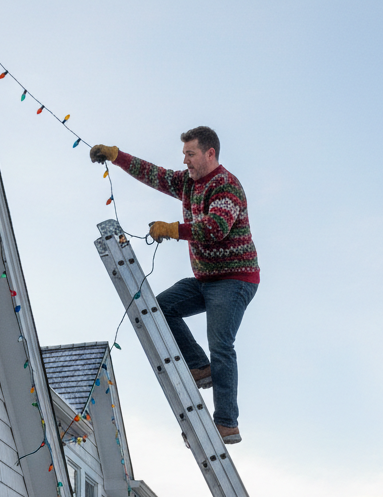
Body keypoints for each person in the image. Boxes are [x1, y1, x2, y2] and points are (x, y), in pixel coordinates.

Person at [90, 128, 259, 445]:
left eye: (191, 154)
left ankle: (227, 423)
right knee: (160, 308)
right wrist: (117, 155)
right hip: (206, 279)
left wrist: (173, 229)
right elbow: (154, 174)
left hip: (235, 278)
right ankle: (199, 367)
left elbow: (216, 228)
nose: (185, 161)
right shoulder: (187, 183)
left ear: (210, 153)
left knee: (221, 343)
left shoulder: (226, 185)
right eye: (184, 155)